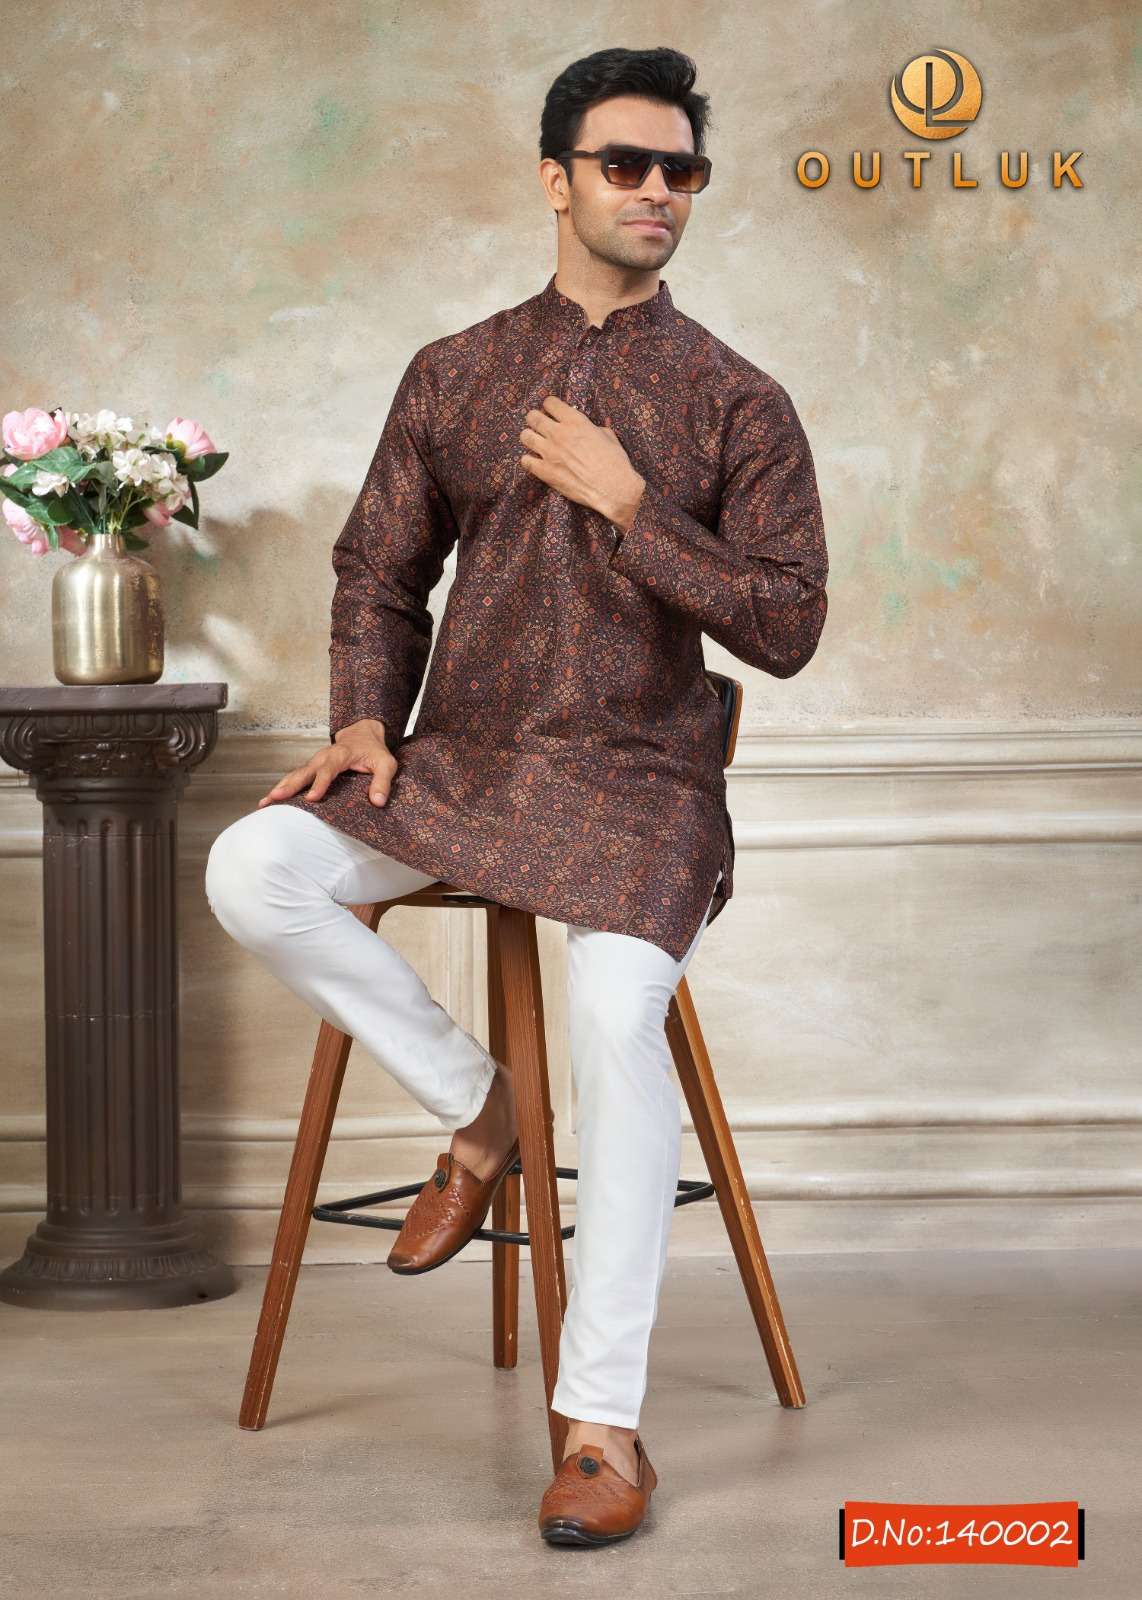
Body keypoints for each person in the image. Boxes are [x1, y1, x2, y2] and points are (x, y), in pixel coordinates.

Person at [205, 44, 828, 1546]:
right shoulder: (458, 370)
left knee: (614, 1014)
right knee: (252, 868)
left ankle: (599, 1427)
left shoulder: (735, 398)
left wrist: (633, 504)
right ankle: (486, 1112)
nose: (658, 190)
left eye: (681, 169)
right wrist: (364, 719)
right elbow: (378, 568)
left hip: (640, 776)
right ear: (557, 180)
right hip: (465, 761)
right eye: (627, 163)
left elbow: (787, 622)